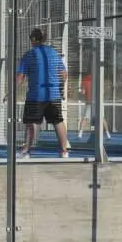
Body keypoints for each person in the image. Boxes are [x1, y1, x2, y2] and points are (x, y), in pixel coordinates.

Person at [15, 28, 69, 159]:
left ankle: (27, 150)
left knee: (32, 123)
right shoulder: (53, 53)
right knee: (58, 121)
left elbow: (20, 77)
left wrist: (11, 91)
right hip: (53, 95)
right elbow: (63, 74)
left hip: (36, 95)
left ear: (33, 39)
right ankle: (64, 151)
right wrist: (58, 86)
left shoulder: (29, 55)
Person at [77, 71, 111, 141]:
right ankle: (108, 135)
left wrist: (80, 92)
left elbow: (83, 92)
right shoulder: (98, 80)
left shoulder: (85, 80)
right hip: (98, 102)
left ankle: (80, 134)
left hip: (89, 102)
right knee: (102, 118)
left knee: (85, 118)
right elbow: (103, 91)